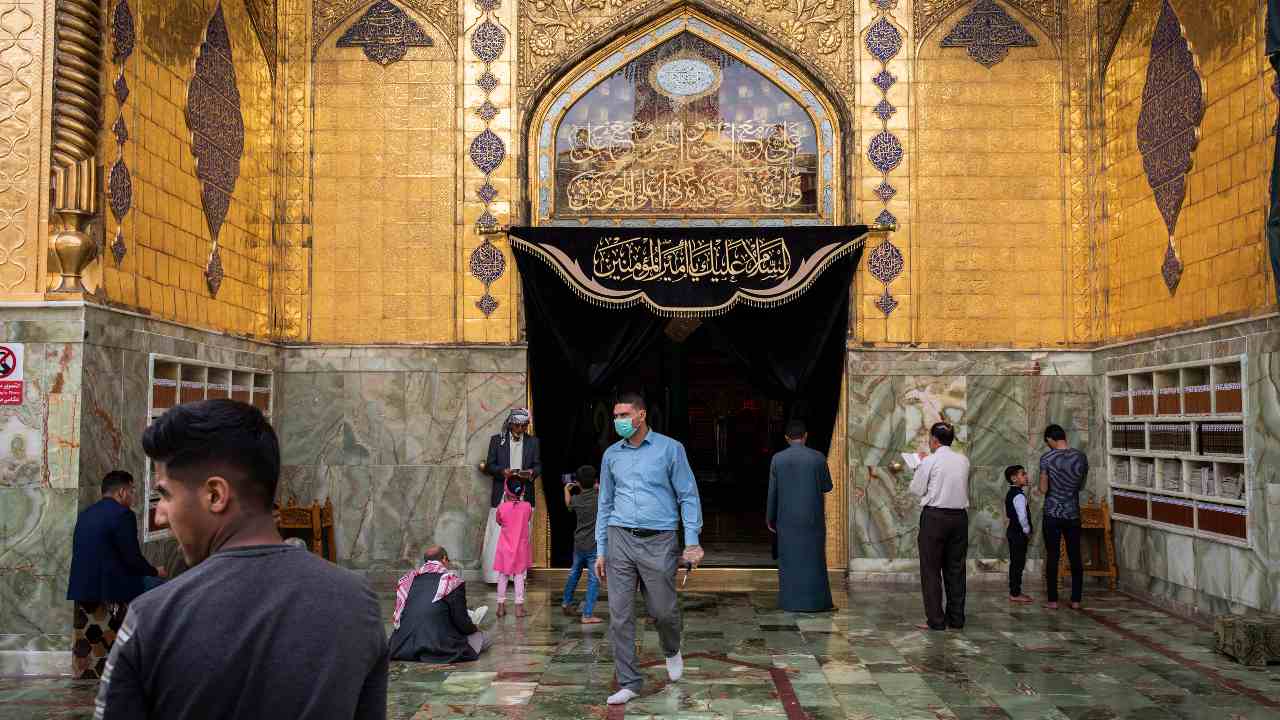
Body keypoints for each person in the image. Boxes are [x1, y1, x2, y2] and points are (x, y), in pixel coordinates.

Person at [95, 399, 388, 719]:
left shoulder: (154, 617)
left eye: (165, 495)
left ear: (215, 495)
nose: (161, 516)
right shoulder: (359, 604)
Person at [594, 392, 704, 706]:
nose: (618, 422)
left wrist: (692, 541)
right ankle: (629, 682)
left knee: (663, 611)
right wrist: (601, 549)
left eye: (624, 415)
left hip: (660, 540)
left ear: (641, 415)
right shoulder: (611, 455)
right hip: (620, 538)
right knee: (619, 615)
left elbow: (688, 495)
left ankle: (671, 648)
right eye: (615, 416)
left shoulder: (670, 449)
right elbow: (605, 504)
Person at [67, 470, 167, 679]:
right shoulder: (123, 514)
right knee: (161, 587)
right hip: (112, 587)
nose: (133, 496)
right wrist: (155, 571)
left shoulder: (86, 514)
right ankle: (155, 662)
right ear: (122, 492)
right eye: (132, 491)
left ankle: (85, 667)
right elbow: (132, 558)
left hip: (82, 588)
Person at [766, 419, 835, 613]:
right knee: (814, 561)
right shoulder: (818, 457)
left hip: (786, 520)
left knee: (789, 562)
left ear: (787, 438)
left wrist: (770, 518)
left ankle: (790, 602)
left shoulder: (777, 459)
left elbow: (773, 492)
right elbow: (827, 486)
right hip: (812, 519)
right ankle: (817, 603)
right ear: (805, 437)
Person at [908, 421, 970, 631]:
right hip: (960, 519)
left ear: (933, 440)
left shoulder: (930, 461)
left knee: (931, 570)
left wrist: (919, 467)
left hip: (935, 518)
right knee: (956, 569)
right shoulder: (963, 460)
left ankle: (936, 620)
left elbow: (916, 489)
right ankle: (957, 619)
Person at [389, 545, 490, 663]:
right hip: (439, 648)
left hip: (402, 646)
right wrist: (474, 628)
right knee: (486, 638)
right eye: (448, 561)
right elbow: (462, 622)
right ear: (444, 559)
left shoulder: (407, 581)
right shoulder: (451, 582)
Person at [482, 407, 541, 583]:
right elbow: (489, 465)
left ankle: (518, 576)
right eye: (517, 426)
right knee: (497, 533)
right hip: (502, 493)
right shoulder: (496, 441)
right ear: (510, 424)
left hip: (524, 494)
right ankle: (495, 576)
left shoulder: (533, 442)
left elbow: (538, 466)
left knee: (522, 535)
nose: (521, 429)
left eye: (524, 426)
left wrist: (530, 473)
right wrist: (503, 471)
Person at [1040, 423, 1089, 610]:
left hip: (1052, 512)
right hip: (1072, 513)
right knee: (1074, 554)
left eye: (1047, 442)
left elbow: (1044, 488)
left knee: (1053, 555)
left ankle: (1052, 600)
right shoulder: (1081, 456)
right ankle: (1076, 600)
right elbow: (1081, 485)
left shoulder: (1047, 458)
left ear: (1050, 440)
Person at [561, 465, 602, 624]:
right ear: (595, 481)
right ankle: (587, 614)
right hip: (593, 545)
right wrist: (598, 488)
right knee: (594, 579)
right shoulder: (599, 499)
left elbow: (568, 504)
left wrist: (567, 489)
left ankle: (566, 602)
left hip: (579, 544)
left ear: (578, 482)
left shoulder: (577, 500)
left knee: (574, 573)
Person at [494, 477, 533, 618]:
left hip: (505, 548)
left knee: (503, 577)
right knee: (518, 577)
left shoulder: (501, 508)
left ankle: (500, 607)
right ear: (522, 490)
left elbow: (499, 521)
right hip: (520, 549)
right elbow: (527, 518)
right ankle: (519, 608)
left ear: (506, 490)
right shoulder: (527, 506)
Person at [1004, 465, 1034, 604]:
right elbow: (1022, 517)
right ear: (1014, 478)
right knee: (1018, 563)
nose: (1026, 476)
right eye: (1023, 474)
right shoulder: (1019, 496)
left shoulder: (1012, 493)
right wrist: (1027, 531)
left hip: (1013, 532)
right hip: (1018, 534)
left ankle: (1015, 591)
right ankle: (1015, 593)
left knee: (1016, 563)